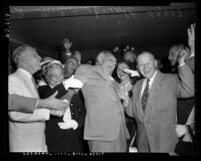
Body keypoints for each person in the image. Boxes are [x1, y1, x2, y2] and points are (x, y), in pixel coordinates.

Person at [120, 51, 194, 153]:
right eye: (141, 64)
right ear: (137, 67)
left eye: (148, 63)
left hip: (165, 144)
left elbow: (190, 90)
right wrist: (126, 100)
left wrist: (181, 63)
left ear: (155, 63)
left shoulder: (170, 80)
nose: (145, 67)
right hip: (143, 144)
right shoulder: (137, 86)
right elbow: (133, 113)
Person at [8, 45, 67, 152]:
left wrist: (49, 107)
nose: (40, 58)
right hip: (25, 145)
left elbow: (31, 107)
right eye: (35, 56)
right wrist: (48, 110)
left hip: (37, 142)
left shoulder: (29, 79)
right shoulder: (13, 79)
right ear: (24, 59)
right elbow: (15, 114)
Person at [74, 51, 130, 152]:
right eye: (110, 60)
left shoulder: (113, 80)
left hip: (120, 132)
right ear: (100, 60)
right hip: (101, 134)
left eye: (115, 62)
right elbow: (72, 88)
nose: (113, 63)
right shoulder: (87, 69)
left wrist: (125, 101)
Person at [38, 60, 86, 152]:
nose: (58, 78)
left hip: (75, 137)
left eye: (60, 75)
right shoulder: (43, 90)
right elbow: (49, 95)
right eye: (53, 75)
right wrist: (66, 86)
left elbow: (83, 111)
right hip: (56, 139)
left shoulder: (72, 89)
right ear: (47, 78)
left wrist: (77, 123)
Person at [168, 24, 195, 155]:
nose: (169, 57)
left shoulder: (186, 70)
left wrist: (192, 48)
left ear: (183, 53)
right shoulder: (175, 74)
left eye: (172, 54)